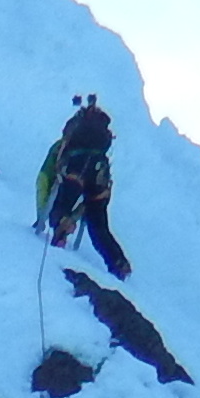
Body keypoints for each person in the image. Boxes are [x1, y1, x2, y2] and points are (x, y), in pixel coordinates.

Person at [36, 95, 130, 277]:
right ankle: (119, 264)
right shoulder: (99, 151)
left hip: (76, 169)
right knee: (98, 226)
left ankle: (59, 241)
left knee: (60, 208)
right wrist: (74, 217)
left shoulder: (61, 147)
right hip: (100, 173)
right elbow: (87, 204)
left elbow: (44, 179)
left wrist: (43, 216)